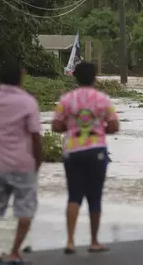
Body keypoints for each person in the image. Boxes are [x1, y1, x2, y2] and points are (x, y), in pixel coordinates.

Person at [0, 63, 43, 265]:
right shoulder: (28, 102)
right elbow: (36, 137)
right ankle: (14, 252)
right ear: (21, 79)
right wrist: (37, 162)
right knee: (26, 209)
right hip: (22, 164)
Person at [51, 62, 120, 254]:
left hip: (72, 151)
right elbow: (114, 126)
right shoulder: (102, 99)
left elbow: (56, 126)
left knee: (74, 195)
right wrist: (97, 130)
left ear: (75, 77)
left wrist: (73, 128)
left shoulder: (66, 99)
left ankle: (70, 242)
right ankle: (94, 241)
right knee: (94, 195)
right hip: (96, 150)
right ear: (95, 78)